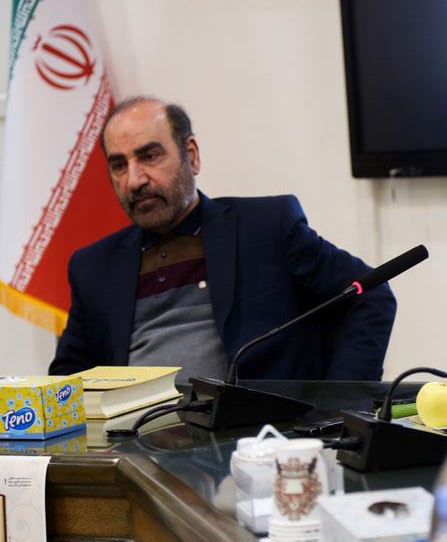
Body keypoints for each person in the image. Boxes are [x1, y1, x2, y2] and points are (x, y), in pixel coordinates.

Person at [49, 96, 396, 383]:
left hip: (251, 436)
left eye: (149, 156)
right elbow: (68, 376)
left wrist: (341, 403)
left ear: (192, 155)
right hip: (134, 439)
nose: (134, 180)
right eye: (119, 165)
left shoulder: (266, 228)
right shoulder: (93, 266)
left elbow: (370, 292)